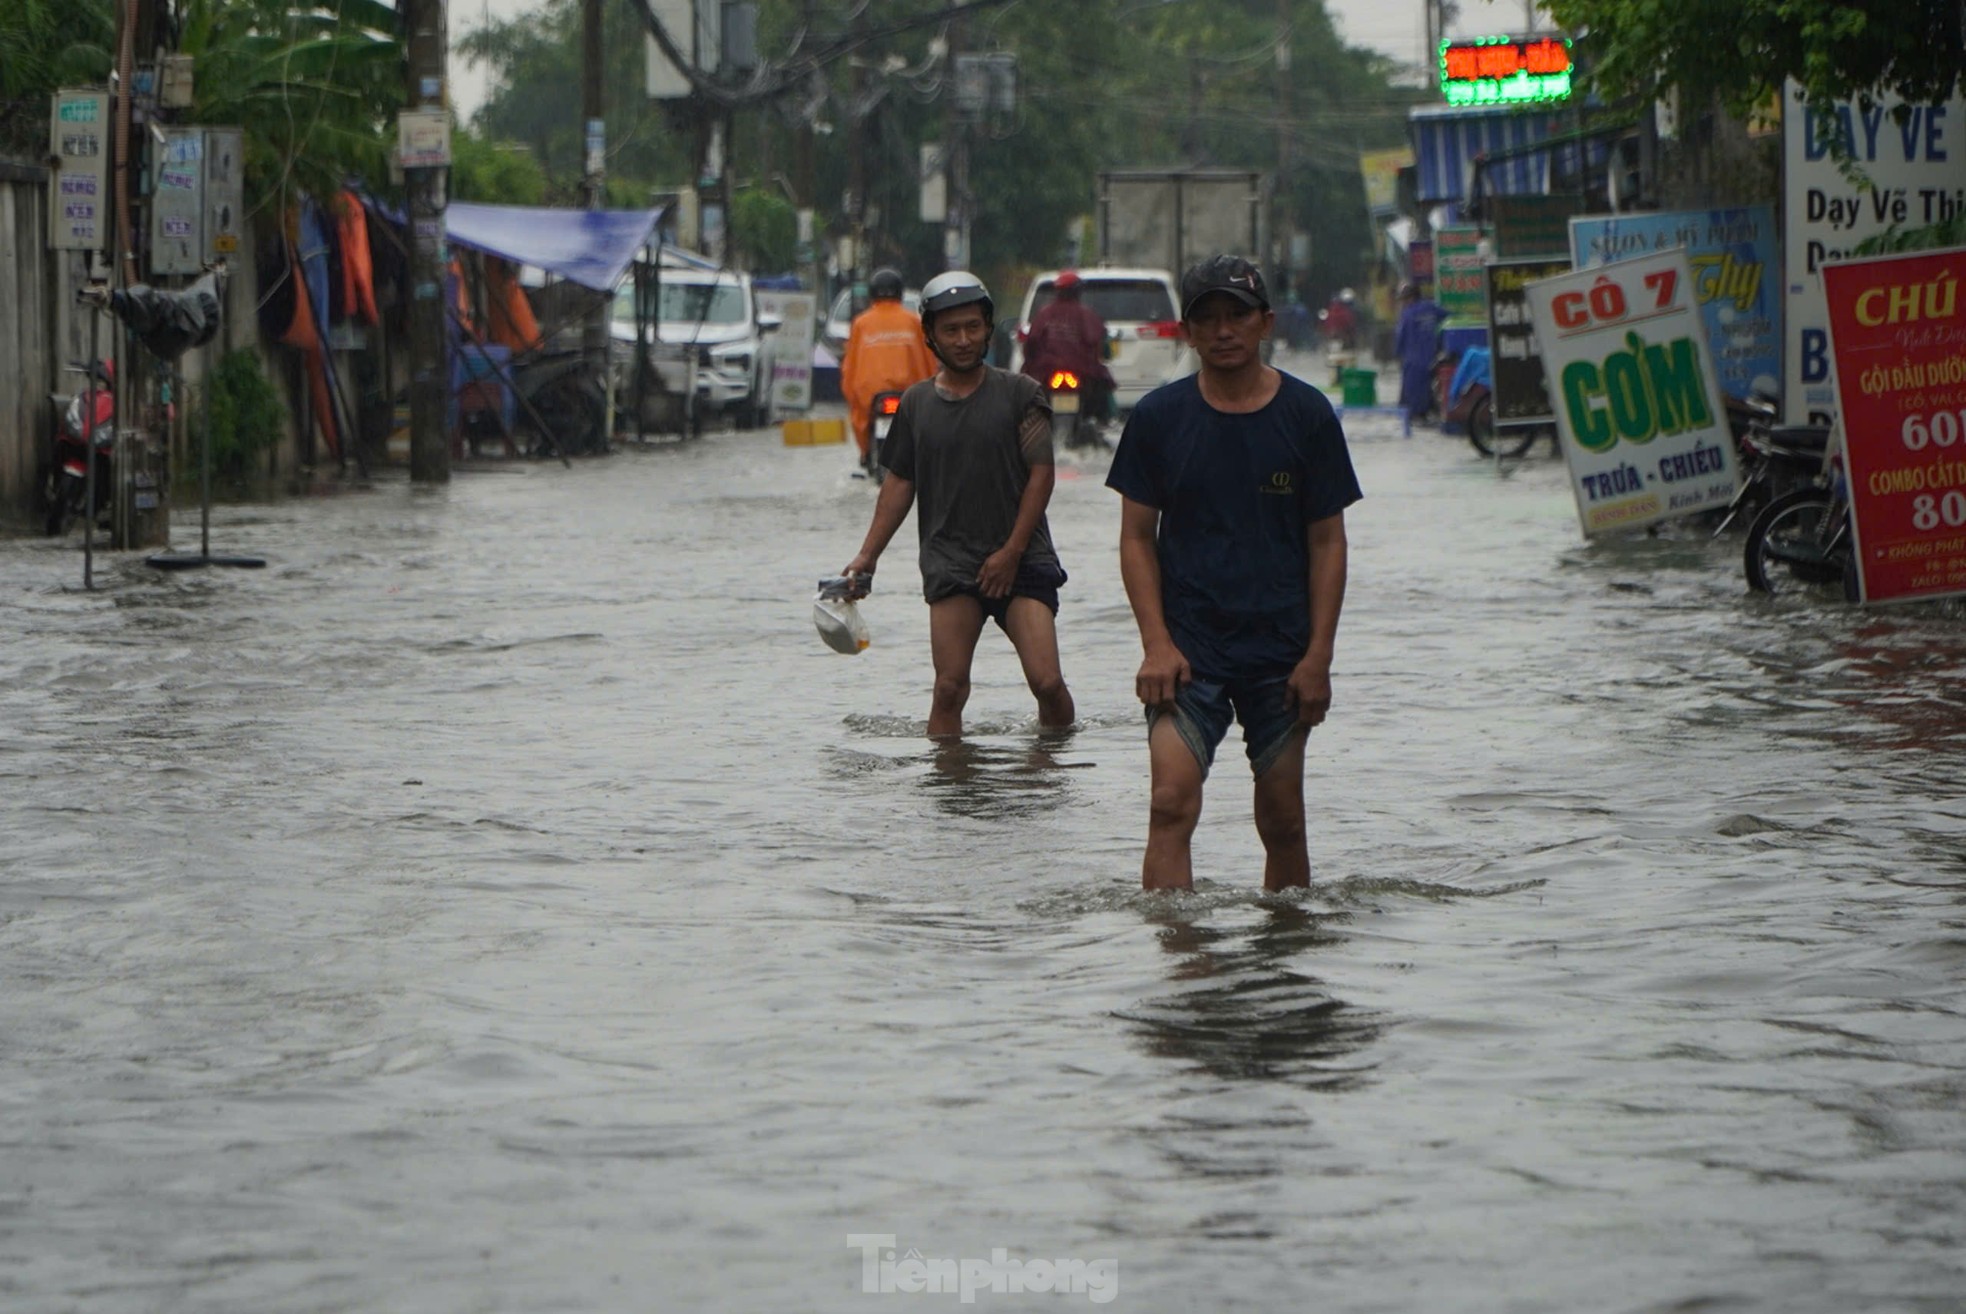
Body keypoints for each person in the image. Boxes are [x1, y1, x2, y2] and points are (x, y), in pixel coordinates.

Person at [1106, 254, 1361, 892]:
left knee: (1284, 822)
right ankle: (1180, 972)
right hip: (1187, 651)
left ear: (1265, 323)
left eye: (1237, 316)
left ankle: (1282, 965)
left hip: (1281, 651)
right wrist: (1155, 645)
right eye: (1207, 319)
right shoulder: (1159, 418)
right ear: (1187, 331)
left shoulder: (1307, 415)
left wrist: (1318, 656)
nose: (1223, 331)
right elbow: (1136, 537)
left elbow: (1328, 542)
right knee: (1169, 803)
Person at [843, 270, 1076, 738]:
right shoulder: (915, 405)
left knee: (1047, 682)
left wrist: (1010, 553)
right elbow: (899, 485)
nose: (964, 339)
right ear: (929, 335)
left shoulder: (1021, 394)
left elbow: (1041, 475)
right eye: (951, 330)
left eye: (973, 327)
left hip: (1023, 558)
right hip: (951, 561)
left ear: (989, 329)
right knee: (949, 689)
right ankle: (949, 790)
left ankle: (1053, 773)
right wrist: (867, 557)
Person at [841, 267, 937, 474]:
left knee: (860, 413)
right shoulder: (913, 322)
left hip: (871, 395)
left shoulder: (861, 323)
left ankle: (866, 454)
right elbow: (929, 362)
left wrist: (853, 394)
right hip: (909, 393)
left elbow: (850, 367)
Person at [1019, 270, 1114, 424]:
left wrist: (1030, 366)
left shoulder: (1044, 314)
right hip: (1081, 373)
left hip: (1047, 372)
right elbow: (1098, 343)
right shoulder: (1087, 315)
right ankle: (1105, 421)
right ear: (1078, 291)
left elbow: (1031, 344)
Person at [1394, 281, 1449, 424]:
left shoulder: (1407, 314)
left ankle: (1414, 414)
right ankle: (1425, 412)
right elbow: (1449, 318)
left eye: (1404, 299)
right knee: (1426, 387)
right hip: (1431, 358)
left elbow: (1400, 336)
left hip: (1412, 359)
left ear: (1411, 298)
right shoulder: (1431, 308)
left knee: (1412, 389)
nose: (1403, 303)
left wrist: (1397, 353)